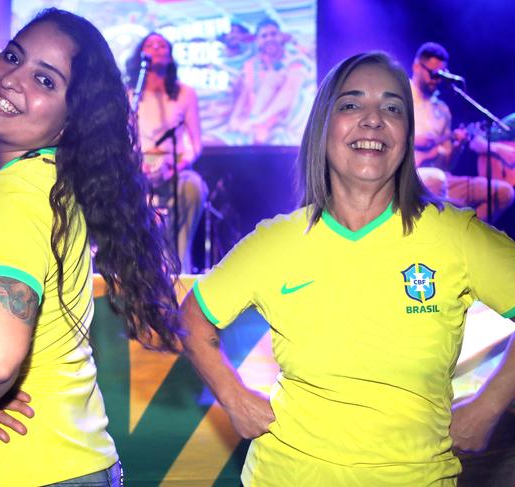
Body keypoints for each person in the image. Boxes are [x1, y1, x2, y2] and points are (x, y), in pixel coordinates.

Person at [180, 51, 515, 485]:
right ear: (323, 127)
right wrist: (233, 395)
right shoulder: (277, 241)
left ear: (407, 132)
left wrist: (488, 407)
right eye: (351, 104)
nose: (373, 119)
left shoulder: (456, 236)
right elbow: (191, 318)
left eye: (392, 107)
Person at [0, 9, 180, 486]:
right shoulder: (55, 187)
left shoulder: (15, 194)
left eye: (44, 80)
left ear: (70, 119)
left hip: (25, 470)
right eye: (13, 56)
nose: (12, 78)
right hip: (75, 461)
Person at [126, 32, 207, 273]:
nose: (157, 48)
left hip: (174, 168)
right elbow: (120, 140)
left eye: (162, 45)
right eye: (150, 45)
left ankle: (176, 267)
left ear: (171, 56)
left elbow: (195, 143)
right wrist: (135, 165)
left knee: (193, 186)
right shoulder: (129, 95)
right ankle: (134, 269)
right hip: (136, 168)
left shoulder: (184, 93)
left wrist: (178, 166)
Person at [411, 42, 514, 222]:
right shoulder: (398, 94)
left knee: (504, 192)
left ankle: (467, 240)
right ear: (417, 66)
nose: (437, 79)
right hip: (406, 177)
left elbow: (446, 165)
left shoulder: (442, 111)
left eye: (441, 75)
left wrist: (457, 147)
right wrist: (412, 139)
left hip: (441, 178)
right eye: (433, 74)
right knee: (436, 182)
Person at [227, 18, 308, 145]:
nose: (269, 38)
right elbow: (245, 93)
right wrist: (235, 117)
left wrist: (257, 120)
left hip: (288, 127)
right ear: (258, 41)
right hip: (255, 130)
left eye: (273, 34)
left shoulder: (295, 60)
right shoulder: (251, 64)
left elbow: (290, 92)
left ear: (280, 37)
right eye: (264, 36)